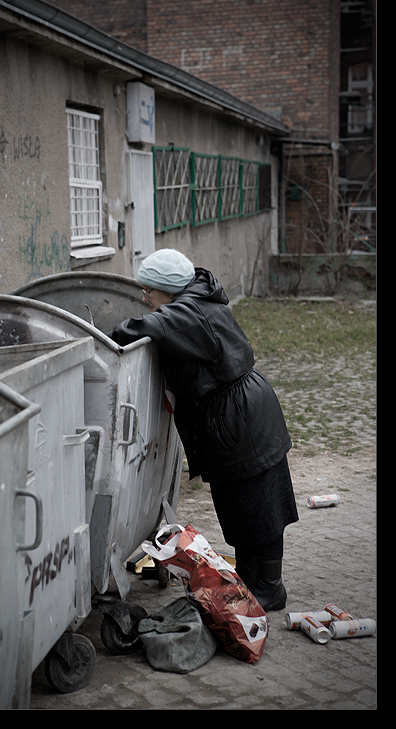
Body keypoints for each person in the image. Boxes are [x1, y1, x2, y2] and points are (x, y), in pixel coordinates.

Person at [109, 249, 298, 611]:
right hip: (241, 410)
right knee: (243, 505)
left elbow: (140, 328)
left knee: (260, 503)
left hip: (238, 416)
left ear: (168, 290)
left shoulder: (186, 313)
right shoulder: (198, 300)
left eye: (148, 290)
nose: (144, 298)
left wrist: (99, 340)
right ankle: (252, 579)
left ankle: (270, 587)